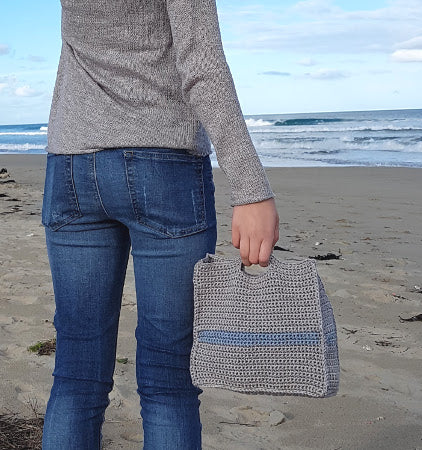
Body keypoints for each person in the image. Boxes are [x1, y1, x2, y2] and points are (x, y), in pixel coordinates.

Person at [40, 0, 279, 448]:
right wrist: (251, 188)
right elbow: (202, 67)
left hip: (71, 166)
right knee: (169, 380)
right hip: (162, 163)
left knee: (76, 375)